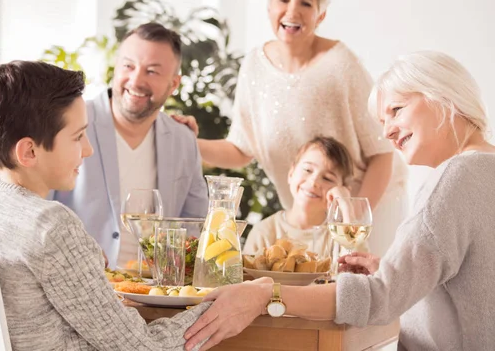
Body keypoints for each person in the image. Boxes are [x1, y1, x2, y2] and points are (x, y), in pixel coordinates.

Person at [183, 51, 495, 351]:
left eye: (396, 110)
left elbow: (379, 300)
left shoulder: (455, 176)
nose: (387, 132)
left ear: (441, 93)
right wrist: (392, 270)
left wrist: (266, 294)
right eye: (382, 121)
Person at [0, 61, 211, 351]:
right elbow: (141, 348)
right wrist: (219, 307)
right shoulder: (50, 225)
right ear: (29, 151)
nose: (88, 149)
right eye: (78, 137)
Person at [174, 0, 406, 257]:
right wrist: (189, 143)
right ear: (270, 7)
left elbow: (382, 154)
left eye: (305, 3)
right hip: (308, 208)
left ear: (320, 15)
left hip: (366, 206)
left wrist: (352, 221)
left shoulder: (341, 64)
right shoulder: (254, 66)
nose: (292, 11)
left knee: (363, 294)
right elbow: (241, 150)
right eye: (283, 0)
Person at [54, 22, 208, 269]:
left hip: (156, 293)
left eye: (152, 71)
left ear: (174, 84)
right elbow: (36, 211)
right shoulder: (69, 123)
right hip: (79, 286)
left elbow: (197, 226)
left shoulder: (183, 139)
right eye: (128, 66)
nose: (136, 80)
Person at [243, 136, 353, 255]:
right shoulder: (264, 231)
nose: (314, 181)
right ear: (291, 173)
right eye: (307, 170)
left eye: (327, 178)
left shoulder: (338, 234)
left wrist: (346, 206)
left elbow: (356, 268)